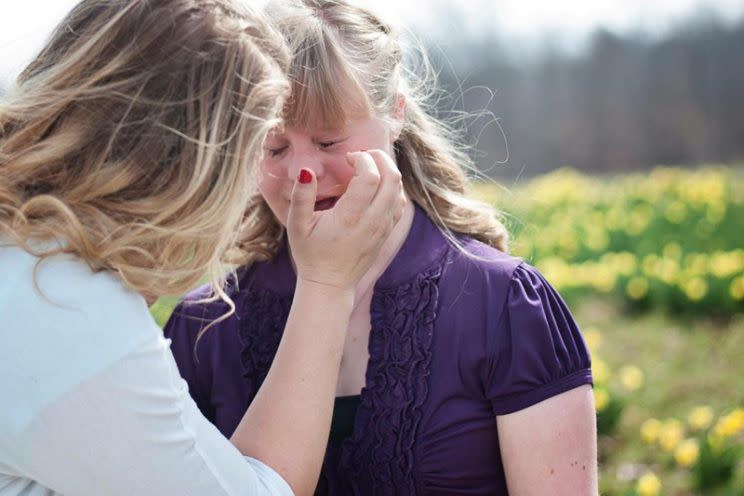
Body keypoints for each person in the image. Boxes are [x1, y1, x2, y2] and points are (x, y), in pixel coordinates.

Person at [164, 1, 598, 495]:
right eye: (274, 147)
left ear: (395, 113)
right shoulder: (203, 328)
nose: (301, 174)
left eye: (328, 141)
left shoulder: (506, 305)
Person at [0, 1, 406, 495]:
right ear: (191, 165)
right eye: (267, 148)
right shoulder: (66, 314)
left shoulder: (33, 265)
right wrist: (326, 283)